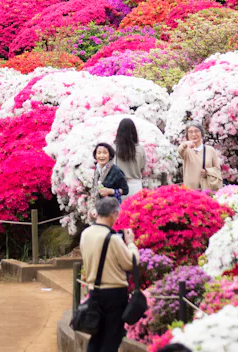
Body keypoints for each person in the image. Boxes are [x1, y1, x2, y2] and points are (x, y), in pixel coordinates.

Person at [79, 196, 138, 352]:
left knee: (96, 336)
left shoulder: (85, 234)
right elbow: (131, 263)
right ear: (113, 214)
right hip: (114, 293)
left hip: (94, 292)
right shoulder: (113, 239)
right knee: (112, 338)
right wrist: (131, 243)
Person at [179, 124, 222, 191]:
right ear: (187, 136)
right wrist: (185, 145)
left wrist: (207, 172)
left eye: (196, 131)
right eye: (190, 132)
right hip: (190, 192)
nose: (194, 134)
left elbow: (217, 170)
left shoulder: (210, 150)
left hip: (207, 190)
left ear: (202, 133)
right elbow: (180, 150)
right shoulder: (186, 150)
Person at [113, 119, 146, 196]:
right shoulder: (140, 149)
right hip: (136, 186)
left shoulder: (114, 149)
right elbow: (142, 169)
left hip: (120, 187)